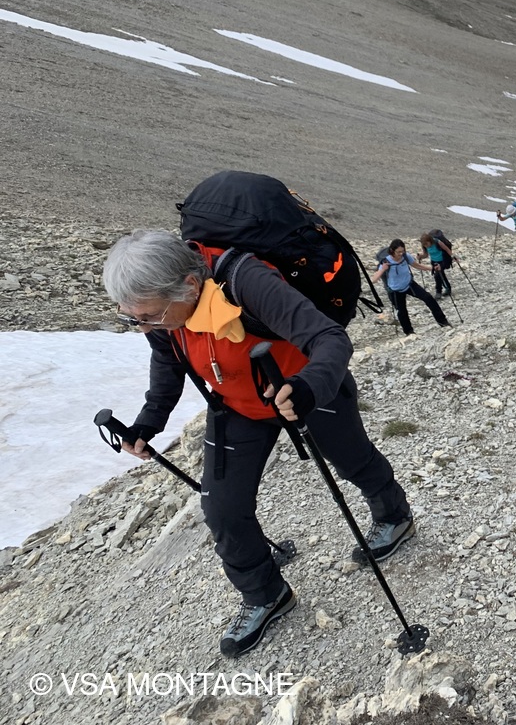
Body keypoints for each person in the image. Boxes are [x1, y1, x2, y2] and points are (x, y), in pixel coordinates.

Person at [102, 230, 416, 657]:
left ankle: (395, 517)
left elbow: (330, 338)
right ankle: (266, 595)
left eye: (148, 317)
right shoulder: (163, 313)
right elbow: (167, 360)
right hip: (236, 406)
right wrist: (148, 422)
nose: (143, 326)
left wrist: (307, 388)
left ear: (190, 286)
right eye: (133, 319)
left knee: (353, 461)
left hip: (304, 390)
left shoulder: (247, 280)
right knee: (222, 508)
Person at [370, 239, 451, 334]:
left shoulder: (405, 256)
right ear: (392, 250)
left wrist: (432, 268)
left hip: (409, 284)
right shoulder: (386, 261)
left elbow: (417, 266)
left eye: (402, 251)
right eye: (398, 252)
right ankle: (409, 332)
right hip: (395, 290)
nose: (401, 254)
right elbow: (374, 279)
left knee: (428, 298)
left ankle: (443, 322)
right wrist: (383, 269)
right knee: (402, 311)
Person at [418, 231, 453, 296]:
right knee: (440, 275)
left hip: (442, 261)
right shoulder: (425, 246)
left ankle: (439, 291)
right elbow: (426, 255)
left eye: (426, 244)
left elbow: (447, 249)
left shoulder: (437, 242)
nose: (426, 246)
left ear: (430, 240)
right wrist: (421, 256)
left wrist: (453, 256)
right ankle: (447, 288)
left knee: (437, 275)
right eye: (424, 244)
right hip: (434, 262)